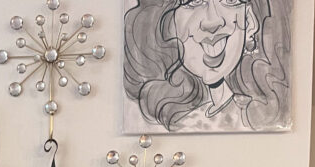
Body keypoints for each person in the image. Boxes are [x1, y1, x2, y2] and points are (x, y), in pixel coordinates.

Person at [123, 0, 291, 132]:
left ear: (250, 20)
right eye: (193, 2)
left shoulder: (253, 115)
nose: (212, 22)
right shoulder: (186, 118)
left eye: (230, 1)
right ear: (169, 24)